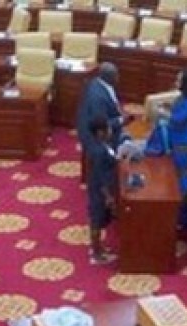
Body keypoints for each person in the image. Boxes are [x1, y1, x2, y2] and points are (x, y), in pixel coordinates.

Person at [156, 68, 187, 228]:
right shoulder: (182, 97)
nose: (176, 82)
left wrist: (164, 113)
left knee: (184, 181)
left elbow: (177, 120)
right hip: (176, 141)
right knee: (175, 178)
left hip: (186, 145)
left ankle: (184, 220)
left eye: (179, 80)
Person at [84, 117, 119, 265]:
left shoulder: (102, 145)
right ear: (100, 132)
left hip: (102, 187)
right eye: (108, 128)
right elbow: (100, 176)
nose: (110, 131)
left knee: (99, 219)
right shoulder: (98, 151)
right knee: (96, 220)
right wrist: (108, 196)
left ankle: (98, 248)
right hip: (99, 190)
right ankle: (96, 254)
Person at [76, 62, 128, 160]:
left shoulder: (97, 82)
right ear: (110, 77)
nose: (118, 77)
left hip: (97, 126)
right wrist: (121, 120)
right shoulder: (98, 98)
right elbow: (101, 125)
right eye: (116, 75)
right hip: (95, 137)